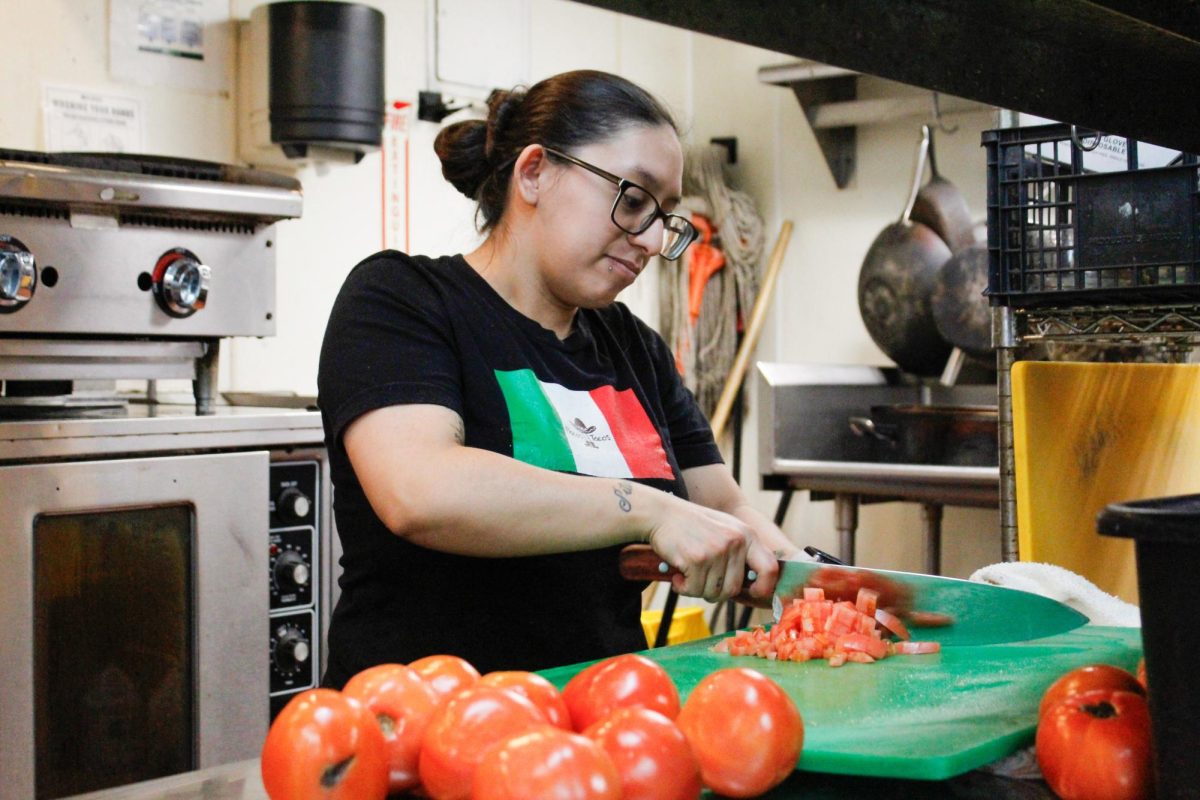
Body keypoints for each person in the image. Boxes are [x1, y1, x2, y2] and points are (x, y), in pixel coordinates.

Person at [317, 69, 800, 687]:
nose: (654, 240)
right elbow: (421, 490)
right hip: (425, 718)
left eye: (666, 217)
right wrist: (649, 511)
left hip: (601, 716)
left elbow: (723, 506)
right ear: (534, 173)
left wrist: (807, 579)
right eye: (634, 200)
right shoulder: (402, 299)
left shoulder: (633, 348)